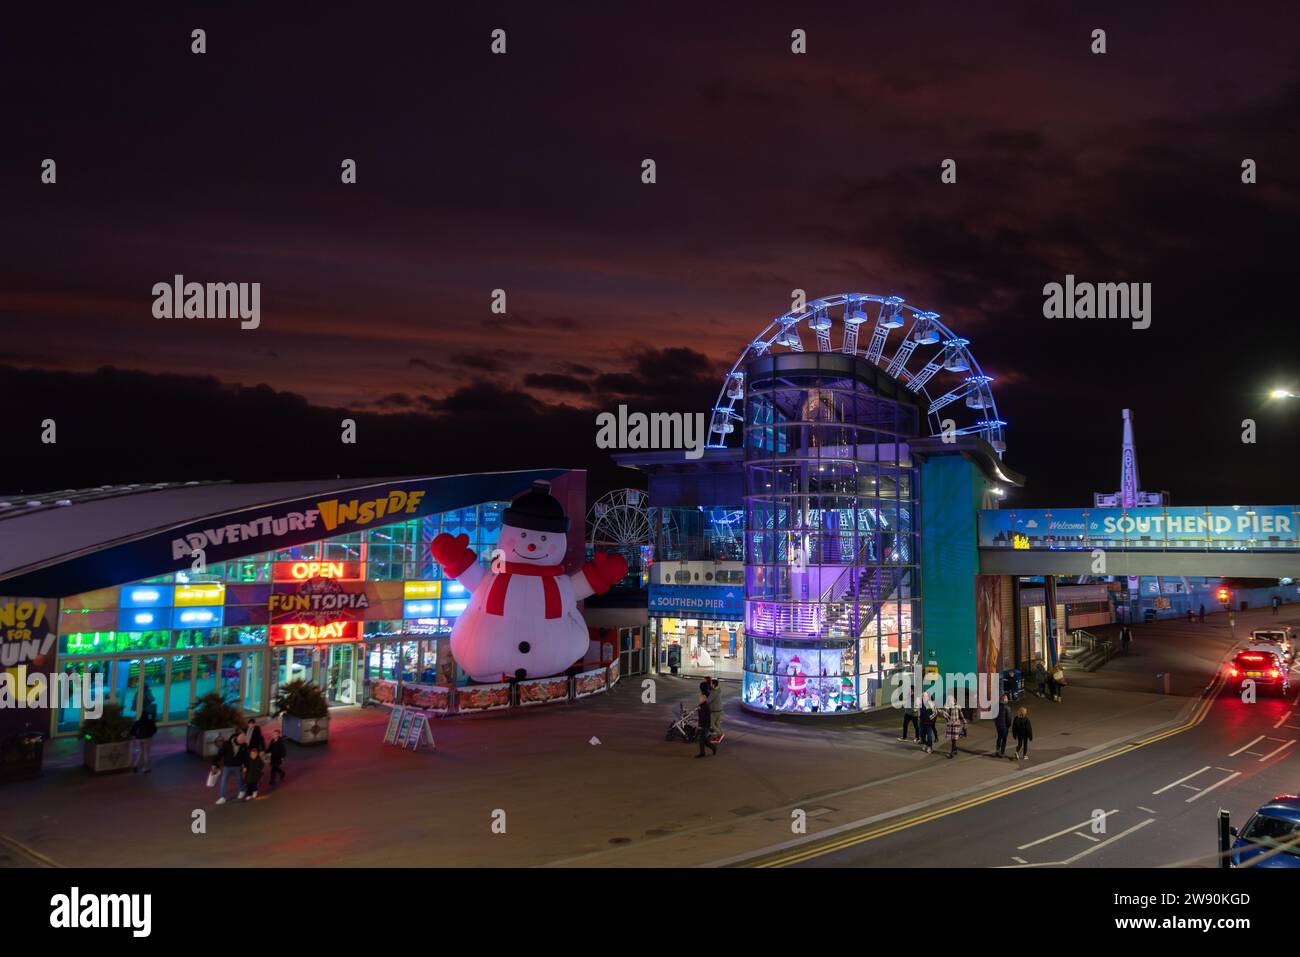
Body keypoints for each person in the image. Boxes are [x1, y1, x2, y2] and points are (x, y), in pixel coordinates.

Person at [212, 731, 246, 805]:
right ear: (237, 737)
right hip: (227, 766)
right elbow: (220, 754)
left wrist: (245, 766)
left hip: (237, 766)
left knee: (240, 779)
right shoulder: (227, 744)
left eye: (243, 740)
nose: (242, 741)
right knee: (223, 781)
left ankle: (242, 790)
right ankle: (222, 797)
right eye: (241, 739)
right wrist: (214, 763)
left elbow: (245, 757)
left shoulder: (244, 745)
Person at [695, 687, 717, 757]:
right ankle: (714, 748)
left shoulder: (705, 707)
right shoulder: (702, 706)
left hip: (705, 726)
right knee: (706, 742)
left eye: (700, 698)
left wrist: (706, 726)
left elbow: (705, 717)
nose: (699, 699)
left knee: (701, 741)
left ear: (704, 699)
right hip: (703, 725)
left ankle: (702, 753)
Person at [992, 694, 1011, 758]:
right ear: (1004, 700)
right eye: (1007, 698)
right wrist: (1008, 726)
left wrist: (996, 723)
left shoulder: (996, 707)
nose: (1007, 699)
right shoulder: (1007, 708)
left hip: (998, 725)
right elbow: (1008, 719)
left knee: (999, 738)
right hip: (1004, 726)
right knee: (1004, 739)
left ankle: (997, 751)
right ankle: (1002, 753)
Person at [708, 677, 724, 743]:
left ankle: (720, 734)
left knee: (711, 724)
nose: (710, 684)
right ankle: (718, 737)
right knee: (717, 724)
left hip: (714, 710)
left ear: (713, 684)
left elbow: (708, 701)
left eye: (711, 683)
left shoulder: (713, 692)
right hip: (719, 709)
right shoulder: (718, 690)